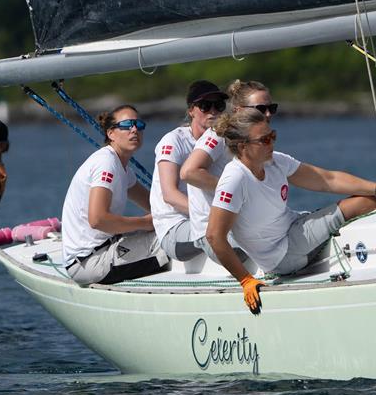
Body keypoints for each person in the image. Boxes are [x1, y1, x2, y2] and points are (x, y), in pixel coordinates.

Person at [205, 109, 376, 315]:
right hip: (281, 255)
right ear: (243, 146)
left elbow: (327, 180)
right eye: (265, 140)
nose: (272, 143)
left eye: (273, 136)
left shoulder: (275, 161)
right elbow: (214, 236)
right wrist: (245, 280)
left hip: (293, 228)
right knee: (364, 203)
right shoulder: (234, 179)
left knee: (369, 196)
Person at [61, 105, 168, 286]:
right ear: (111, 133)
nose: (134, 129)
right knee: (169, 242)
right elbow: (98, 220)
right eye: (126, 125)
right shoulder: (106, 163)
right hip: (89, 262)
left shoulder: (122, 167)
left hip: (105, 248)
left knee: (172, 231)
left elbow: (154, 204)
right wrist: (146, 223)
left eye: (138, 124)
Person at [181, 80, 277, 261]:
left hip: (241, 227)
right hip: (214, 233)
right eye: (261, 108)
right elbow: (189, 172)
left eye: (272, 108)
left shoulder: (257, 137)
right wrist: (238, 192)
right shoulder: (219, 134)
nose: (268, 114)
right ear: (238, 110)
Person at [150, 80, 228, 264]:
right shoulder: (173, 141)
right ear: (191, 110)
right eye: (205, 105)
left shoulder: (221, 141)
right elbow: (169, 195)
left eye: (219, 105)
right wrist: (216, 215)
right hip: (174, 228)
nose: (213, 111)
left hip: (205, 219)